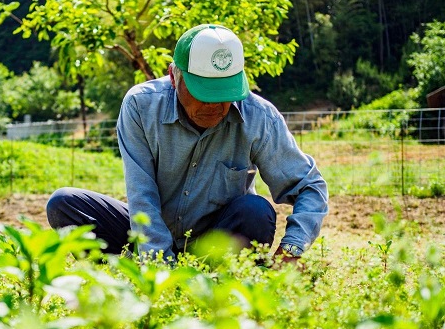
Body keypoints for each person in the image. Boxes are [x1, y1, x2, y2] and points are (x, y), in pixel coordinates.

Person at [47, 24, 329, 264]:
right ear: (173, 76)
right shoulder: (141, 107)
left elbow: (310, 187)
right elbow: (142, 197)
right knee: (64, 204)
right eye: (203, 92)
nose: (215, 106)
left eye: (224, 93)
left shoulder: (258, 117)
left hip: (215, 242)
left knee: (255, 212)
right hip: (148, 239)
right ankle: (131, 279)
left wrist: (291, 250)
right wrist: (162, 273)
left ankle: (219, 285)